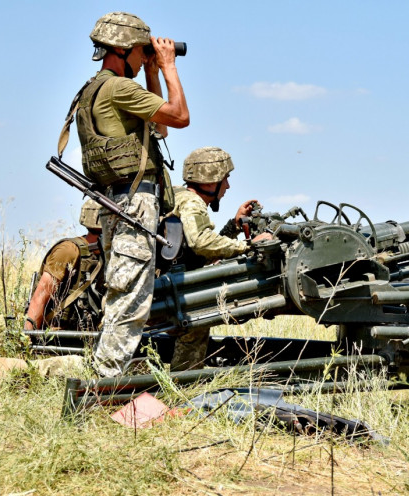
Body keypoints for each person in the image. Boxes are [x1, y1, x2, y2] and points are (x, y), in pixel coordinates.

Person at [69, 12, 189, 377]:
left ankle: (99, 373)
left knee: (120, 293)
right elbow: (179, 116)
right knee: (132, 301)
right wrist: (168, 67)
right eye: (141, 51)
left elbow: (159, 130)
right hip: (135, 203)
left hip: (115, 203)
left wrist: (151, 73)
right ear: (122, 50)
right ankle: (101, 383)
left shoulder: (94, 88)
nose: (144, 57)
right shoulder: (121, 88)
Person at [167, 146, 272, 370]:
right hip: (175, 290)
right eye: (225, 178)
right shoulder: (193, 203)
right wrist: (247, 246)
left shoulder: (178, 196)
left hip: (168, 281)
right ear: (209, 180)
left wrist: (234, 225)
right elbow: (201, 242)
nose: (228, 185)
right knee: (197, 323)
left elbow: (201, 248)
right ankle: (183, 387)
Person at [24, 199, 105, 332]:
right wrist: (27, 340)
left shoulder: (108, 256)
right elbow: (40, 297)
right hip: (56, 335)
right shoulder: (69, 250)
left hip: (86, 336)